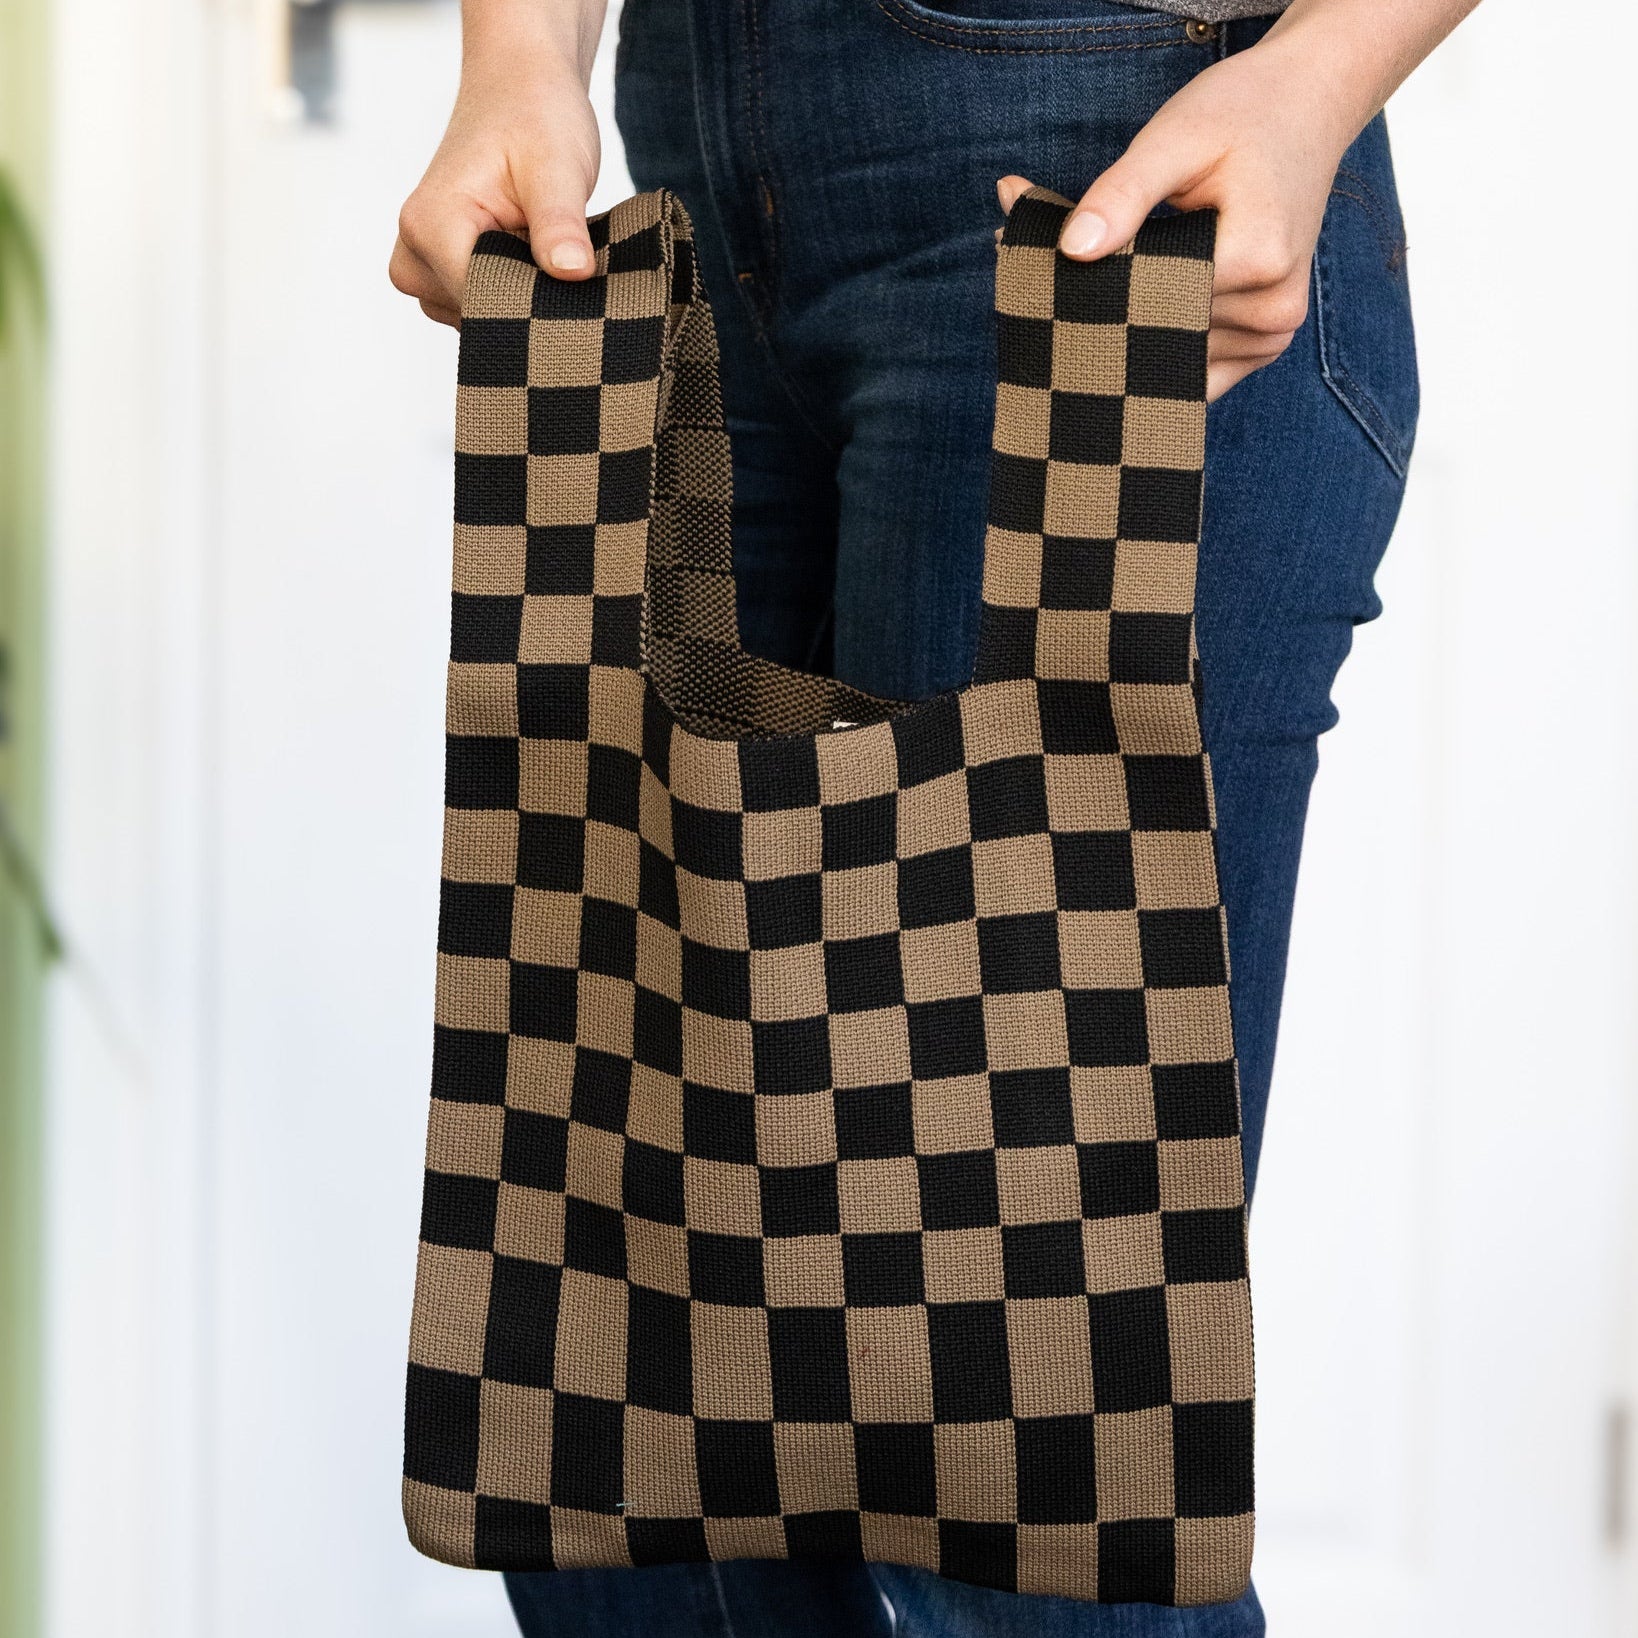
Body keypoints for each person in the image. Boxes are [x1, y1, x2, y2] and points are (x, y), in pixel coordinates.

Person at [391, 0, 1478, 1630]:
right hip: (689, 146)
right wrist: (518, 55)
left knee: (1024, 1461)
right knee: (629, 1481)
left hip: (1115, 167)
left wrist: (1313, 78)